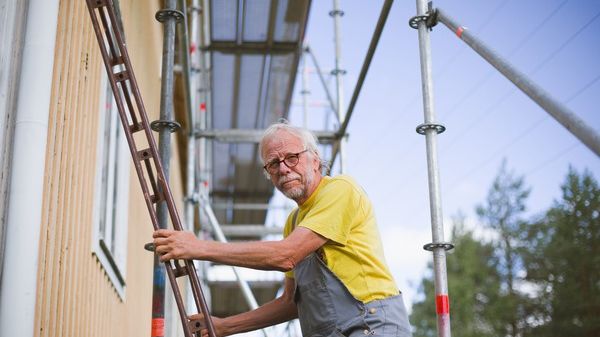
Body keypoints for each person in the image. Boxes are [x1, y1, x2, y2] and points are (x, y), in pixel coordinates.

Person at [153, 122, 412, 337]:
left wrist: (199, 247)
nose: (284, 169)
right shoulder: (294, 222)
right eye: (273, 164)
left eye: (291, 157)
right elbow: (290, 302)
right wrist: (224, 326)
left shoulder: (340, 190)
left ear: (315, 159)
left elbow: (285, 255)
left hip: (372, 325)